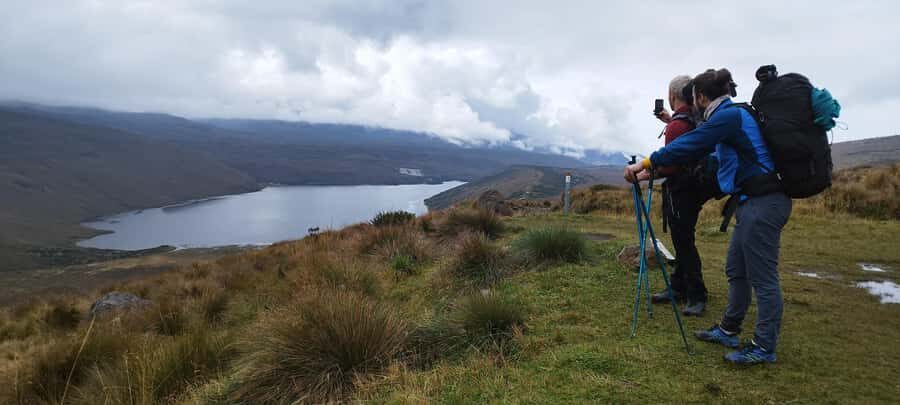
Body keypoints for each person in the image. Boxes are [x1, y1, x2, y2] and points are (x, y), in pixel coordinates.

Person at [624, 68, 792, 365]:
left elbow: (692, 143)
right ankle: (729, 328)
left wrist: (646, 164)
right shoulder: (730, 114)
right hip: (750, 201)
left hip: (764, 202)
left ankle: (764, 347)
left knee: (763, 279)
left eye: (694, 100)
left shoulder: (727, 117)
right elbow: (702, 136)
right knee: (736, 270)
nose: (693, 106)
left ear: (701, 97)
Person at [651, 75, 709, 317]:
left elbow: (672, 164)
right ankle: (678, 286)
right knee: (682, 238)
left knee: (683, 241)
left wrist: (647, 171)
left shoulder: (678, 125)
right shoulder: (695, 117)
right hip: (696, 187)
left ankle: (697, 294)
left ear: (672, 95)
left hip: (681, 189)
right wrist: (669, 118)